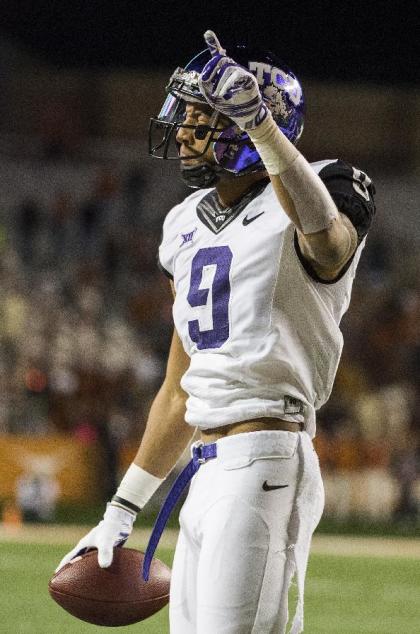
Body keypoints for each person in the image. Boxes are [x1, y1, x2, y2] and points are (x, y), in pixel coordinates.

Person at [56, 31, 376, 633]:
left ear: (246, 122)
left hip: (265, 454)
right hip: (202, 470)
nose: (180, 130)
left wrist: (259, 125)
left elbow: (329, 244)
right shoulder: (183, 223)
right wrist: (123, 508)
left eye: (198, 117)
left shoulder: (328, 184)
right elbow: (181, 387)